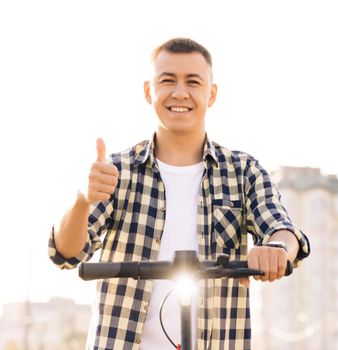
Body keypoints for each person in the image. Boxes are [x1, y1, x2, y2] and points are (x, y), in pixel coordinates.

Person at [48, 38, 310, 350]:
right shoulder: (116, 170)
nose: (180, 93)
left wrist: (277, 248)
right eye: (167, 80)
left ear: (211, 94)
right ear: (149, 91)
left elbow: (282, 228)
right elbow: (66, 254)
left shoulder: (243, 171)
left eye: (193, 82)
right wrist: (82, 199)